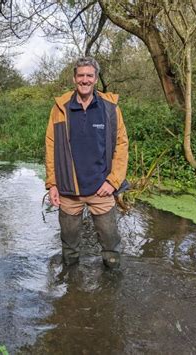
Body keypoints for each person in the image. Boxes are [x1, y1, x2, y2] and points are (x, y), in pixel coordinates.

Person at [45, 57, 129, 269]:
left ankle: (110, 293)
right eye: (80, 75)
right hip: (68, 191)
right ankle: (71, 294)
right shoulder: (60, 108)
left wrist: (113, 181)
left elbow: (122, 145)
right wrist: (52, 184)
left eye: (89, 75)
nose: (85, 80)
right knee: (70, 249)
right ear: (74, 78)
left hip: (102, 189)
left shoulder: (110, 108)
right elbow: (51, 146)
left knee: (111, 247)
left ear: (95, 79)